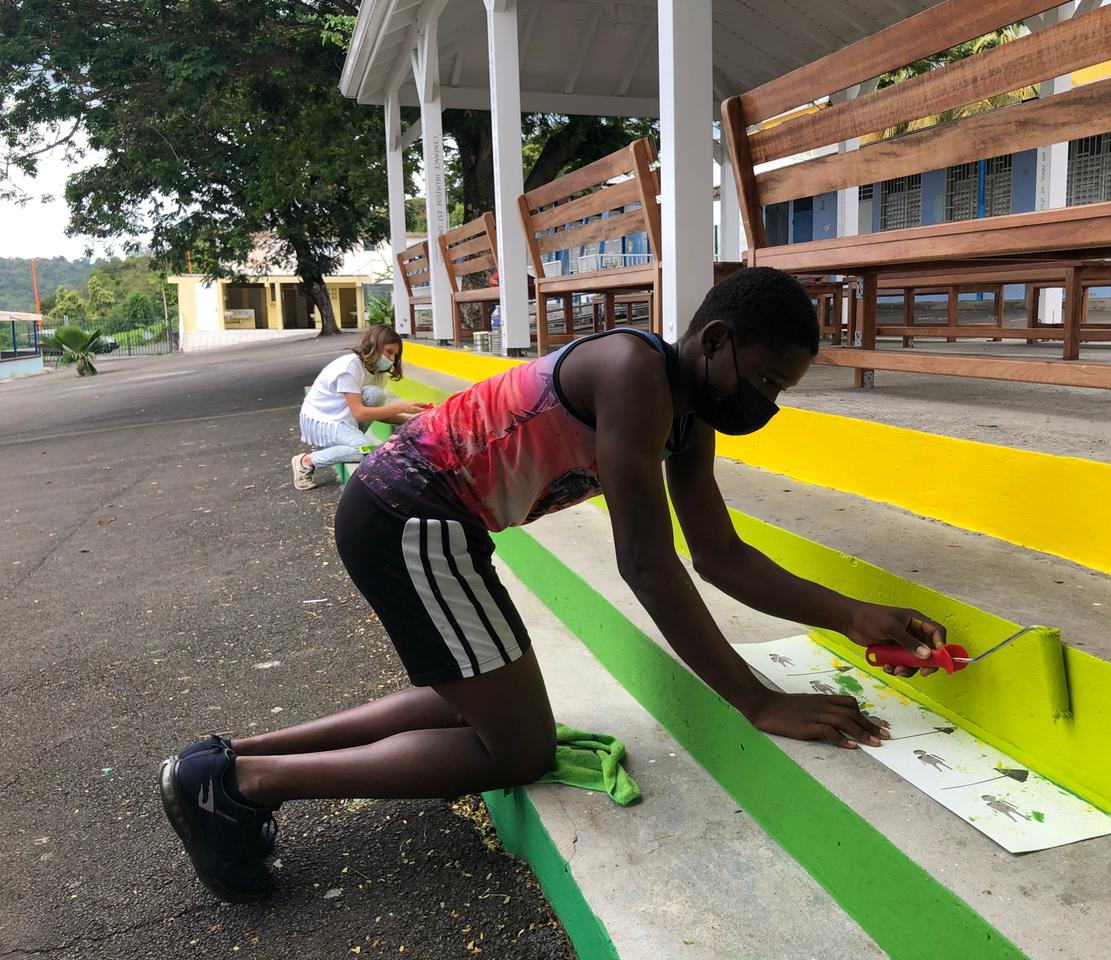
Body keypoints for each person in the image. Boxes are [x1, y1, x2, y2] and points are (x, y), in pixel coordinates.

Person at [160, 268, 950, 902]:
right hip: (409, 516)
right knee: (518, 748)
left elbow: (718, 554)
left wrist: (853, 615)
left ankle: (224, 761)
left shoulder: (688, 415)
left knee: (472, 699)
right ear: (716, 341)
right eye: (767, 379)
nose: (767, 403)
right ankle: (245, 785)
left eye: (782, 390)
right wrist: (758, 701)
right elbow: (647, 564)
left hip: (432, 522)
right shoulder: (633, 373)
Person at [290, 326, 427, 490]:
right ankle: (306, 461)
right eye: (389, 352)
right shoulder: (350, 367)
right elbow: (360, 413)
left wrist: (411, 420)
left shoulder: (378, 373)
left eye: (395, 355)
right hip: (321, 421)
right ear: (374, 346)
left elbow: (376, 413)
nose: (391, 359)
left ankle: (350, 441)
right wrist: (401, 406)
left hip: (343, 420)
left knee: (374, 395)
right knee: (364, 450)